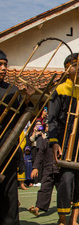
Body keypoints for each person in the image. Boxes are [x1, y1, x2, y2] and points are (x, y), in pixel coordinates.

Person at [49, 53, 79, 225]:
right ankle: (62, 219)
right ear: (67, 68)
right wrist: (54, 142)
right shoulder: (60, 90)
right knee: (66, 179)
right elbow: (52, 119)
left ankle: (74, 220)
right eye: (75, 65)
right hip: (65, 141)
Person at [0, 50, 34, 225]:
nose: (3, 68)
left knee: (10, 190)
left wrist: (27, 99)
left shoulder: (12, 89)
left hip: (8, 143)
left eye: (5, 64)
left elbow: (22, 115)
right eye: (0, 64)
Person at [28, 122, 60, 216]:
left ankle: (67, 205)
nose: (47, 128)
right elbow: (39, 155)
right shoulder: (45, 141)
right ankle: (37, 208)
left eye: (48, 126)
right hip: (48, 169)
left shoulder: (61, 140)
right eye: (46, 126)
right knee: (44, 189)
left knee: (64, 190)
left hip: (60, 169)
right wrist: (35, 168)